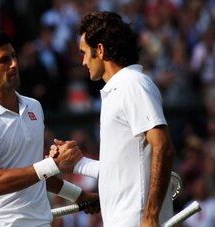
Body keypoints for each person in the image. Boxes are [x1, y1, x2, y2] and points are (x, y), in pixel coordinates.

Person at [0, 29, 99, 226]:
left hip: (41, 222)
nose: (14, 64)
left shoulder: (34, 107)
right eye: (4, 60)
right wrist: (53, 164)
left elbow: (35, 173)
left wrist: (79, 195)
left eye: (13, 56)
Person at [51, 11, 175, 227]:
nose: (82, 62)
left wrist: (151, 215)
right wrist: (78, 163)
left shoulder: (133, 83)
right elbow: (122, 171)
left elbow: (163, 147)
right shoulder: (118, 90)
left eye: (84, 53)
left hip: (138, 219)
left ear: (100, 49)